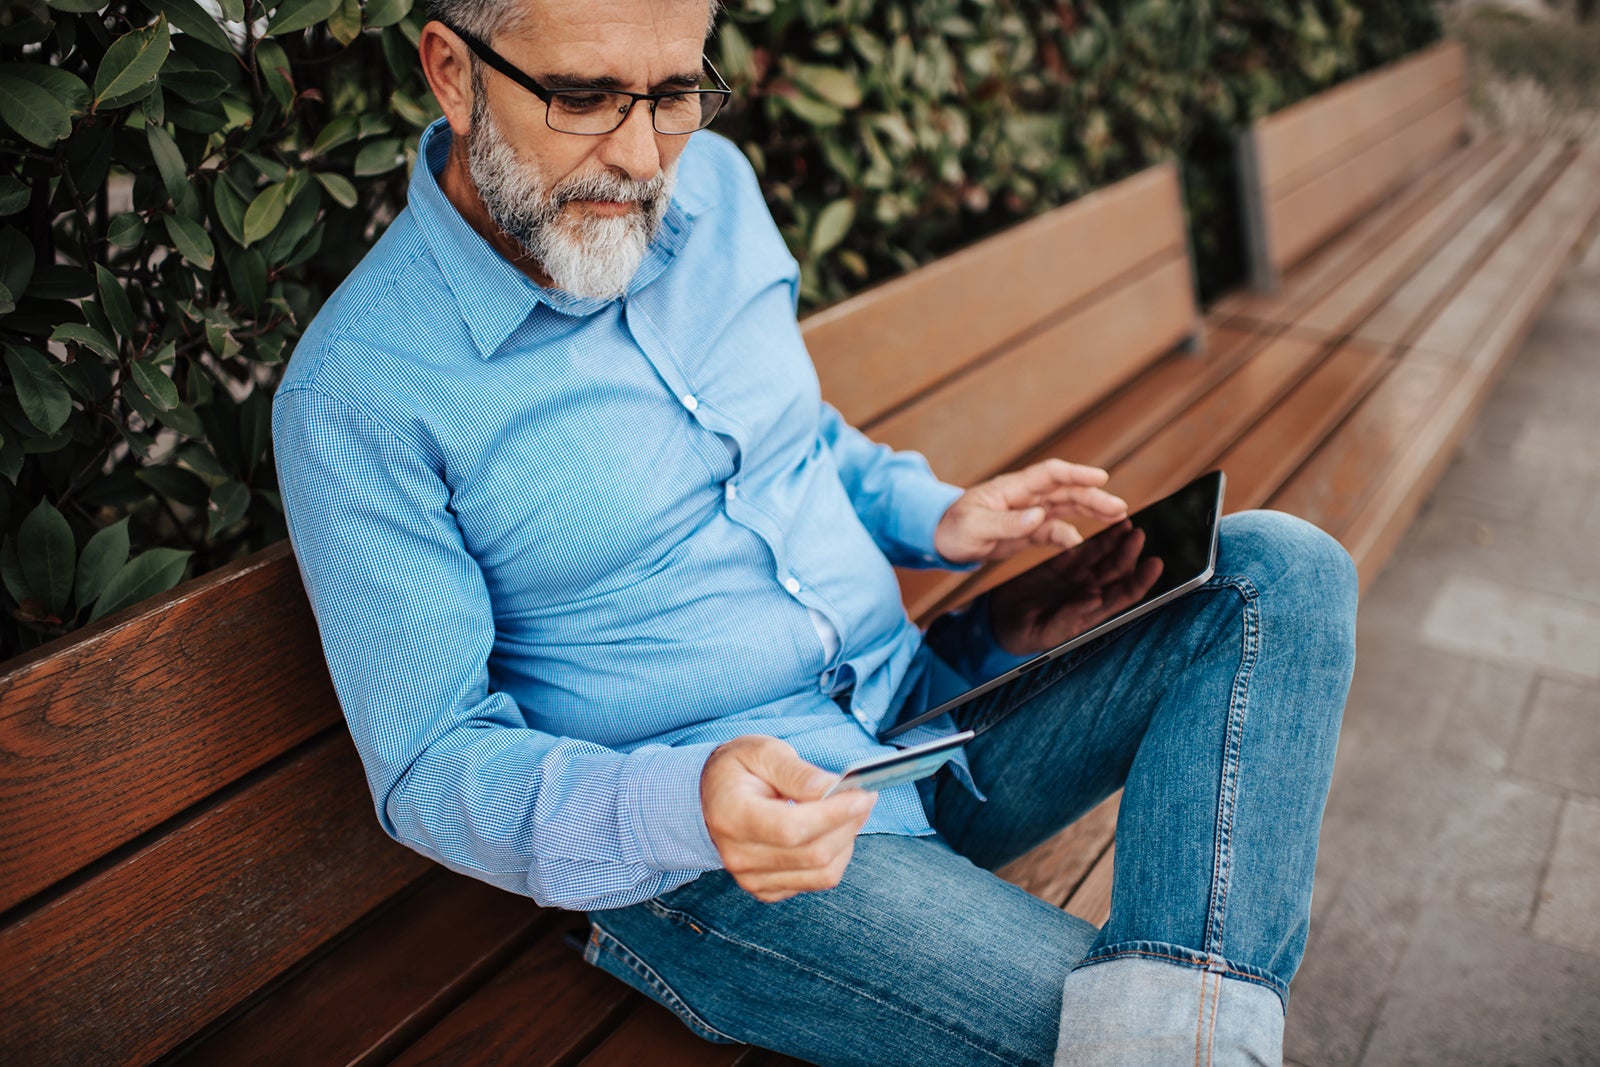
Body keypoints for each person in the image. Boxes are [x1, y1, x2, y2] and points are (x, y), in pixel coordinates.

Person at [271, 0, 1358, 1063]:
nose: (645, 156)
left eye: (675, 93)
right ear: (453, 73)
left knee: (1274, 572)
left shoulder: (721, 192)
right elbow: (428, 761)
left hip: (930, 708)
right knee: (1120, 1032)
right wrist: (685, 804)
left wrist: (931, 514)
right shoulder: (360, 392)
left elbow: (793, 434)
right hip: (725, 858)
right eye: (586, 97)